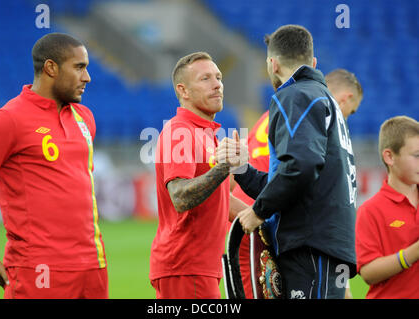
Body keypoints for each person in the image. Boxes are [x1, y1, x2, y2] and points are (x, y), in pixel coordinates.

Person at [0, 33, 108, 299]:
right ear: (51, 68)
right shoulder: (8, 120)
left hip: (93, 267)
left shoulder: (84, 117)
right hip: (40, 270)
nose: (87, 77)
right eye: (79, 67)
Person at [230, 25, 357, 299]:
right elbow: (298, 178)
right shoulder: (323, 98)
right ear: (313, 62)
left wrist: (259, 211)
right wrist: (241, 170)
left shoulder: (295, 95)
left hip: (309, 244)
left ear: (272, 64)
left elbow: (302, 166)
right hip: (324, 242)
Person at [149, 52, 247, 299]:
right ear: (184, 91)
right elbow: (180, 197)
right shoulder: (179, 131)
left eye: (219, 77)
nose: (217, 84)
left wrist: (264, 219)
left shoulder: (206, 134)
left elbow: (221, 201)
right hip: (185, 267)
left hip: (199, 269)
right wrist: (224, 167)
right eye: (205, 79)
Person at [355, 116, 419, 299]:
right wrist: (414, 252)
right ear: (389, 157)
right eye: (417, 156)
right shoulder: (370, 210)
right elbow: (368, 273)